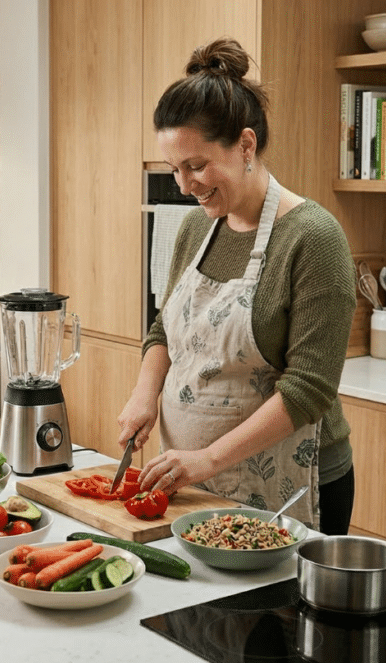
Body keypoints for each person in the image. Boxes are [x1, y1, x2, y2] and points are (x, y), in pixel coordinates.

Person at [116, 38, 357, 534]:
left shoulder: (313, 237)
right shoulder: (194, 227)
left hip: (292, 483)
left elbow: (309, 389)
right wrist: (145, 393)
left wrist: (207, 458)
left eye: (196, 165)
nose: (184, 186)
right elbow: (164, 329)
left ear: (246, 146)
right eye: (174, 169)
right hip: (192, 478)